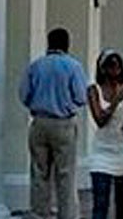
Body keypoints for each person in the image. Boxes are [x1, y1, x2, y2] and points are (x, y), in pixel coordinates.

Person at [19, 28, 88, 219]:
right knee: (65, 173)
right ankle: (67, 214)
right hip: (64, 123)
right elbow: (81, 97)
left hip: (39, 122)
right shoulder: (73, 66)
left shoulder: (35, 66)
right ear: (67, 44)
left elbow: (23, 94)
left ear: (48, 43)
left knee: (39, 171)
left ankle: (40, 212)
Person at [86, 49, 123, 219]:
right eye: (110, 67)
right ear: (102, 69)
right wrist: (115, 101)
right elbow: (100, 120)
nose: (114, 71)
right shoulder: (94, 90)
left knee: (122, 203)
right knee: (100, 203)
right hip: (101, 152)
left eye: (117, 67)